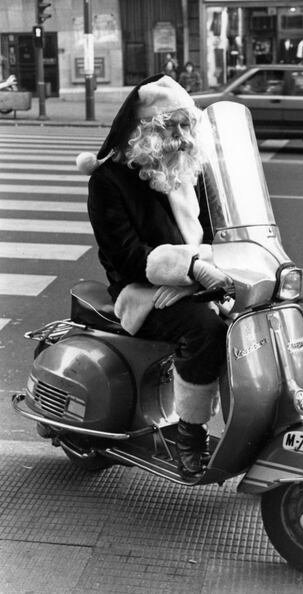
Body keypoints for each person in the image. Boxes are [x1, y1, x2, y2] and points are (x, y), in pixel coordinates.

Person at [76, 74, 231, 478]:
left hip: (198, 280)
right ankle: (189, 436)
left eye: (185, 125)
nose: (181, 136)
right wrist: (188, 270)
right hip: (140, 291)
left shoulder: (187, 170)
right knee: (206, 329)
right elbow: (125, 255)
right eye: (170, 126)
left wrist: (215, 263)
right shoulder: (109, 180)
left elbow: (219, 229)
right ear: (143, 129)